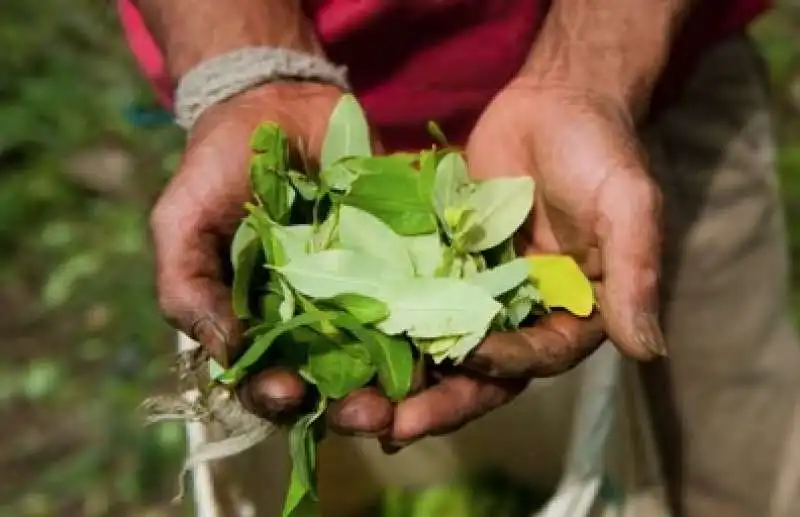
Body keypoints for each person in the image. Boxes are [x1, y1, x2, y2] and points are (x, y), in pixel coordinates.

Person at [119, 0, 800, 515]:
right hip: (303, 123)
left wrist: (593, 70)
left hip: (654, 67)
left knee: (742, 459)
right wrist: (249, 68)